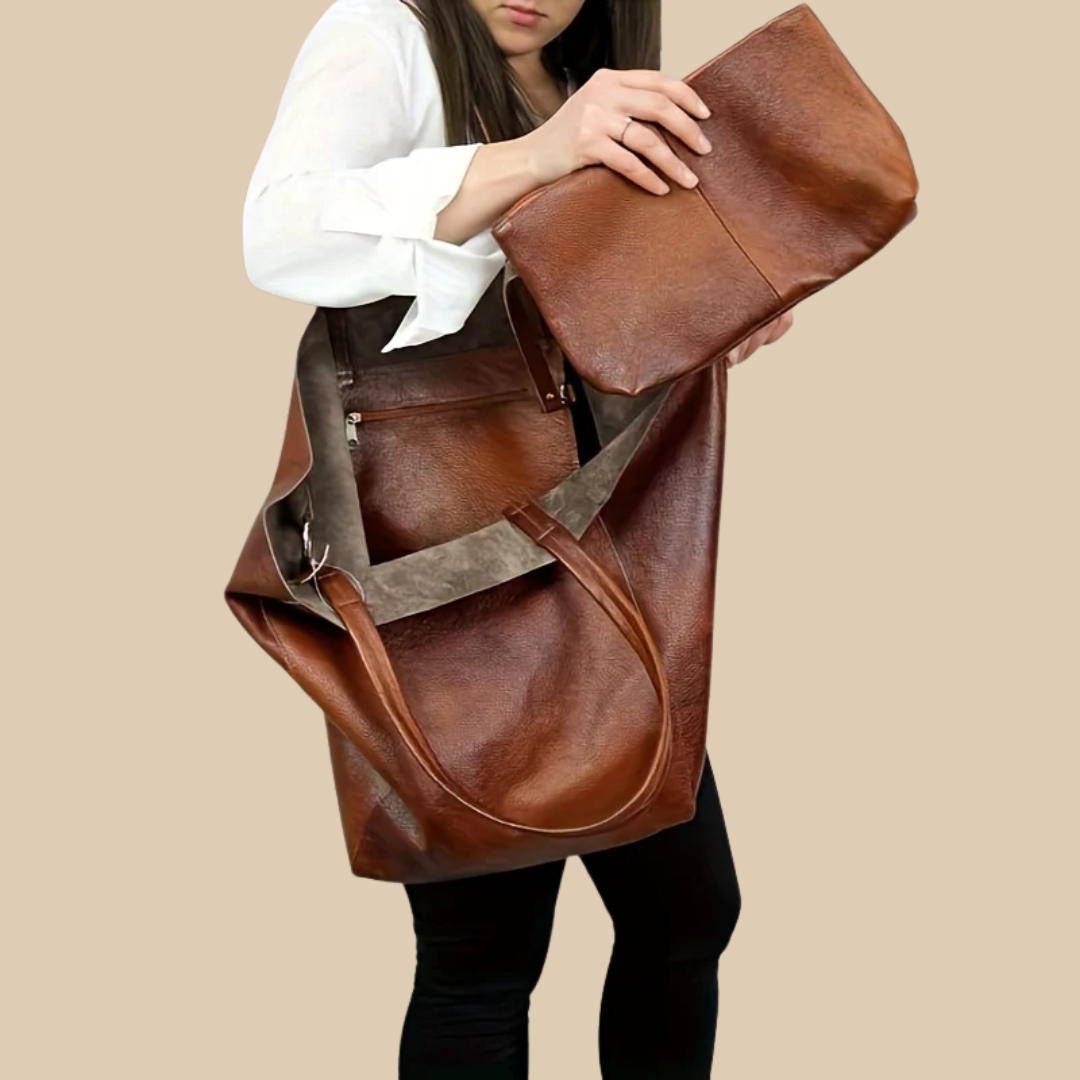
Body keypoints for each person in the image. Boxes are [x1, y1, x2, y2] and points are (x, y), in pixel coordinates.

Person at [243, 2, 793, 1076]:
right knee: (483, 957)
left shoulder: (586, 79)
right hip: (454, 563)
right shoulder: (384, 34)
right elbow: (281, 231)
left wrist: (714, 289)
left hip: (600, 541)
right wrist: (543, 153)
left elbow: (578, 307)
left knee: (687, 910)